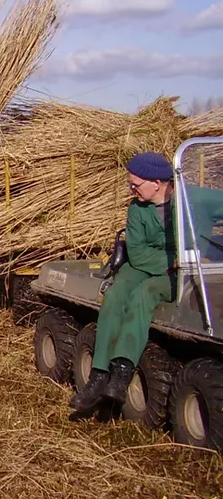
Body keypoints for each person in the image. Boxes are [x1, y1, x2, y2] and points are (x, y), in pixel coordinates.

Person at [71, 152, 223, 413]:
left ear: (157, 182)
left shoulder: (196, 199)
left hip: (185, 271)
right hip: (145, 265)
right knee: (116, 294)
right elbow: (138, 253)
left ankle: (121, 372)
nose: (132, 189)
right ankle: (98, 375)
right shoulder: (137, 208)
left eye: (136, 184)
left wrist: (210, 253)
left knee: (145, 293)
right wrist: (171, 260)